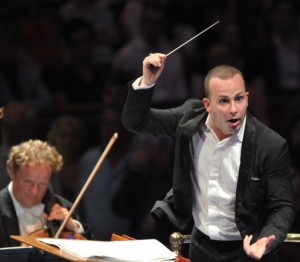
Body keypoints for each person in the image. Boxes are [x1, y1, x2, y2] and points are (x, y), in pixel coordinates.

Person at [121, 53, 295, 261]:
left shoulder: (270, 144)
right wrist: (147, 81)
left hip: (249, 250)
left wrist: (267, 239)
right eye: (223, 101)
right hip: (201, 246)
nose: (233, 109)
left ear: (247, 99)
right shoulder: (189, 120)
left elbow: (282, 206)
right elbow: (135, 122)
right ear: (207, 105)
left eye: (239, 99)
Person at [0, 139, 91, 247]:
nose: (34, 191)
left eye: (42, 184)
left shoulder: (63, 207)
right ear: (12, 171)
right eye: (28, 182)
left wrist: (74, 228)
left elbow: (87, 248)